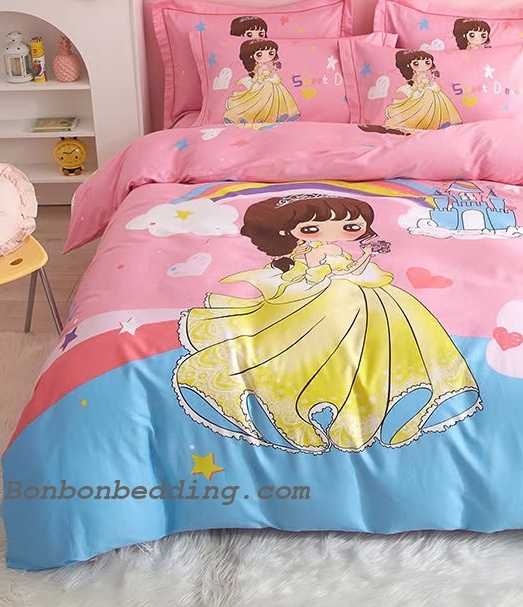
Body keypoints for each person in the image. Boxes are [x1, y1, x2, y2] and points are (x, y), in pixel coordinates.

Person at [174, 194, 481, 453]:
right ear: (287, 231)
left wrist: (366, 256)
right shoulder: (308, 252)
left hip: (355, 291)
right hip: (323, 294)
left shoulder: (334, 251)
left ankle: (410, 393)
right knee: (325, 326)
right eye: (311, 228)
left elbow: (353, 269)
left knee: (405, 315)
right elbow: (318, 273)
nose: (333, 233)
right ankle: (279, 406)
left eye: (351, 226)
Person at [223, 39, 300, 126]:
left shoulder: (261, 66)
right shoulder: (261, 67)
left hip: (264, 81)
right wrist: (273, 71)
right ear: (251, 56)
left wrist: (273, 70)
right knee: (263, 100)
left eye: (271, 53)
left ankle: (278, 114)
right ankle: (262, 117)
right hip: (263, 83)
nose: (266, 57)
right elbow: (262, 76)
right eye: (259, 54)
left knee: (274, 97)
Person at [384, 50, 462, 132]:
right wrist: (431, 82)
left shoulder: (417, 75)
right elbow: (421, 84)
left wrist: (432, 80)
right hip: (423, 92)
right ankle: (432, 123)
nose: (423, 65)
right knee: (426, 106)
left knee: (433, 105)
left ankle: (437, 122)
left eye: (427, 62)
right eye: (416, 63)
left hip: (424, 90)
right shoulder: (420, 75)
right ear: (408, 65)